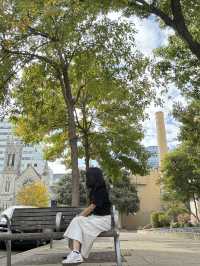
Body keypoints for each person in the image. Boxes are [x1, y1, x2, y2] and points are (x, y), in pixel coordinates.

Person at [62, 167, 111, 264]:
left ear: (94, 177)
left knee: (77, 221)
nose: (86, 179)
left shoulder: (101, 190)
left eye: (88, 176)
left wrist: (79, 216)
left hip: (104, 220)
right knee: (78, 222)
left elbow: (92, 207)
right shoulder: (94, 190)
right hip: (97, 219)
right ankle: (76, 252)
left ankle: (76, 253)